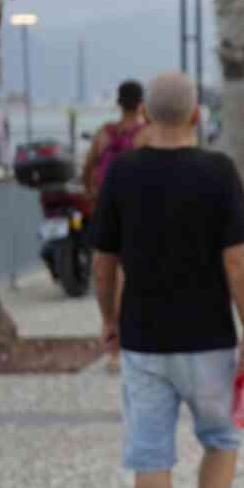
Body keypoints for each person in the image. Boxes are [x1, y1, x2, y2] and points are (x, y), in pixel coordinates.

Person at [92, 72, 244, 488]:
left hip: (143, 343)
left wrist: (108, 319)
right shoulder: (219, 172)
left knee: (150, 458)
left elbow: (103, 262)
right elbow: (239, 263)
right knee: (222, 441)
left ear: (144, 113)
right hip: (209, 340)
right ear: (196, 115)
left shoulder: (122, 173)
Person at [83, 79, 147, 374]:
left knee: (105, 271)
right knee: (128, 275)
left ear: (119, 103)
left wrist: (91, 195)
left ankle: (112, 337)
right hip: (136, 211)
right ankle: (126, 344)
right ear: (141, 102)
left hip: (106, 209)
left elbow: (88, 167)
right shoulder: (145, 135)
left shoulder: (105, 134)